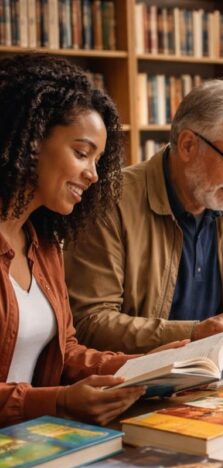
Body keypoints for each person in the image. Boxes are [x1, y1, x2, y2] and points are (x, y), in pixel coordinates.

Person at [64, 80, 223, 356]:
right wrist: (195, 335)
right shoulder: (110, 203)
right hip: (137, 382)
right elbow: (90, 322)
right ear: (188, 145)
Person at [0, 54, 176, 426]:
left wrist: (148, 364)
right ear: (31, 139)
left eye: (97, 159)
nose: (93, 175)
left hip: (37, 438)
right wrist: (58, 402)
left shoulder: (43, 242)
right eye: (81, 153)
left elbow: (63, 352)